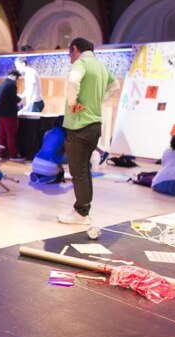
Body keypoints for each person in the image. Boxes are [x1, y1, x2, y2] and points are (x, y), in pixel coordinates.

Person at [58, 37, 119, 225]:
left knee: (78, 171)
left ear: (75, 49)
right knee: (84, 170)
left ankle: (81, 212)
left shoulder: (82, 63)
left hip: (79, 126)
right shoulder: (100, 66)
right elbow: (115, 85)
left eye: (70, 53)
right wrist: (99, 102)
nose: (70, 58)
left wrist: (73, 103)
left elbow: (73, 81)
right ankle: (83, 209)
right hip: (94, 126)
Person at [0, 70, 23, 161]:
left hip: (0, 114)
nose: (17, 80)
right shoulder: (11, 85)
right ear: (15, 76)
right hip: (9, 115)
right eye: (17, 78)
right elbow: (13, 99)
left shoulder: (1, 84)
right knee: (11, 134)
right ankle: (13, 154)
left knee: (1, 134)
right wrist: (20, 100)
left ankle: (0, 152)